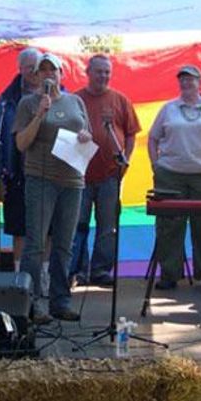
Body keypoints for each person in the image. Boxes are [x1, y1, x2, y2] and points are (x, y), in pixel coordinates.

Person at [13, 52, 92, 322]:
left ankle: (61, 300)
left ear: (61, 74)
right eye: (42, 70)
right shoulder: (28, 103)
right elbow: (21, 143)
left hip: (72, 179)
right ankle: (33, 303)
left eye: (53, 70)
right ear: (35, 76)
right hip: (41, 178)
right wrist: (39, 115)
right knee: (35, 243)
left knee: (64, 244)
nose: (48, 74)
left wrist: (85, 136)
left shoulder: (75, 101)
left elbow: (87, 133)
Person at [148, 65, 201, 291]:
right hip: (170, 175)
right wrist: (156, 165)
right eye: (183, 79)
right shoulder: (168, 108)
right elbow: (153, 138)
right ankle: (169, 274)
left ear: (200, 82)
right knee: (169, 225)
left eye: (191, 79)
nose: (186, 83)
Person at [69, 54, 140, 286]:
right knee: (77, 225)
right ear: (88, 73)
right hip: (79, 175)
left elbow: (131, 134)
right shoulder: (75, 100)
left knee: (107, 227)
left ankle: (100, 271)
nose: (103, 76)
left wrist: (126, 160)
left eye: (107, 72)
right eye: (99, 71)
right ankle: (79, 270)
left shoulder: (121, 100)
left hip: (111, 175)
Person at [0, 47, 42, 270]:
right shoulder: (6, 99)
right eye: (28, 67)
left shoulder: (59, 94)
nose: (33, 71)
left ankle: (43, 277)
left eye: (36, 66)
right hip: (16, 172)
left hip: (48, 172)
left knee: (47, 230)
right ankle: (19, 275)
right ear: (20, 69)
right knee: (19, 228)